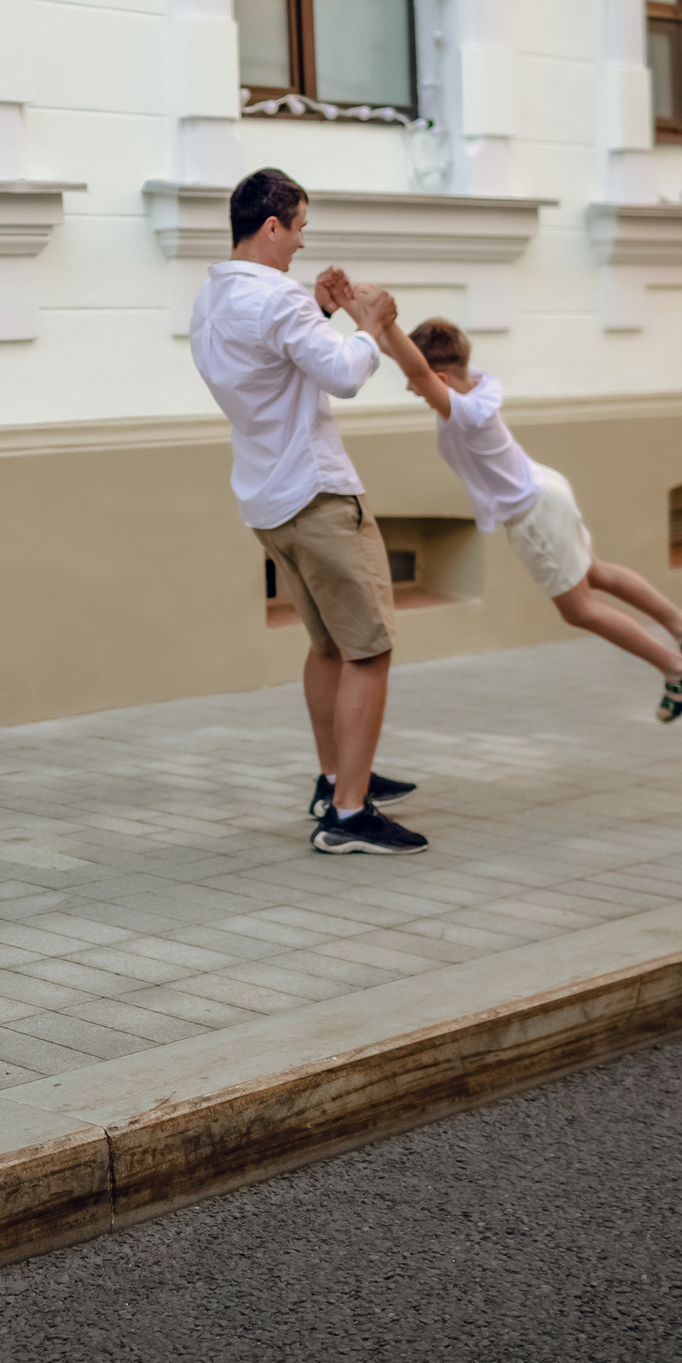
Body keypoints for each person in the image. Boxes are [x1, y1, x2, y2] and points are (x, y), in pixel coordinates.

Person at [192, 168, 427, 856]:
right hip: (318, 495)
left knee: (328, 645)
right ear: (271, 226)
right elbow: (345, 375)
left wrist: (320, 316)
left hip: (267, 498)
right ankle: (350, 815)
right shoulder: (280, 300)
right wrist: (369, 326)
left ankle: (335, 779)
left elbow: (270, 366)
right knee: (371, 647)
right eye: (298, 228)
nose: (300, 243)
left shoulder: (211, 300)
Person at [377, 315, 682, 721]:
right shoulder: (478, 385)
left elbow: (417, 369)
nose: (410, 386)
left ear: (442, 379)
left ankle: (680, 669)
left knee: (579, 609)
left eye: (416, 381)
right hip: (546, 492)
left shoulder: (463, 411)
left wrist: (384, 321)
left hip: (534, 517)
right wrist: (362, 315)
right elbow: (411, 361)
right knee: (596, 573)